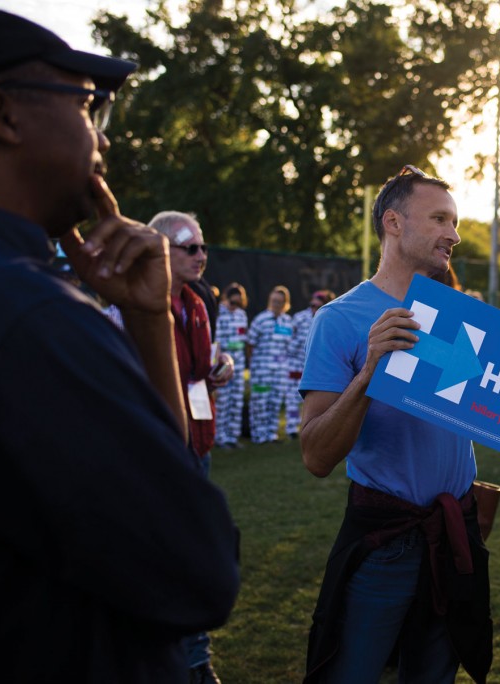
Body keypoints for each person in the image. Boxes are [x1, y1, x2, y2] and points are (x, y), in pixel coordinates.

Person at [0, 7, 239, 682]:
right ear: (1, 112)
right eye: (88, 106)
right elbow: (196, 564)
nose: (103, 143)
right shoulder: (30, 318)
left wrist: (149, 320)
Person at [298, 165, 500, 683]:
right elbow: (316, 456)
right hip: (384, 544)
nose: (454, 235)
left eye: (455, 221)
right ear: (393, 222)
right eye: (440, 219)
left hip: (455, 536)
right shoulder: (339, 320)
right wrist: (369, 372)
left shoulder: (460, 314)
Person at [147, 211, 234, 683]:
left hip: (197, 443)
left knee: (194, 553)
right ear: (160, 249)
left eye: (203, 247)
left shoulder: (197, 301)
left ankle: (196, 661)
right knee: (171, 557)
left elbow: (199, 369)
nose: (202, 256)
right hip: (158, 453)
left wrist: (220, 367)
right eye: (190, 247)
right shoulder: (134, 307)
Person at [247, 285, 293, 444]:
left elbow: (289, 346)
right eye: (274, 301)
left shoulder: (288, 321)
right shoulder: (260, 320)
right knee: (260, 402)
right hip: (262, 370)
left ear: (285, 303)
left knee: (275, 402)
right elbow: (250, 344)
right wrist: (255, 364)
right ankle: (259, 436)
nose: (276, 304)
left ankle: (271, 434)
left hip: (280, 371)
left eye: (280, 302)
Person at [287, 289, 335, 438]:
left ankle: (313, 428)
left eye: (317, 305)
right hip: (296, 363)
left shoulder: (330, 318)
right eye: (312, 305)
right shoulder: (299, 317)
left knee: (315, 399)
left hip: (317, 366)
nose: (313, 307)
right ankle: (291, 429)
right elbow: (289, 338)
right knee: (292, 397)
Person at [215, 282, 250, 449]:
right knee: (223, 400)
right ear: (226, 299)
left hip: (239, 361)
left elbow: (243, 338)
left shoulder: (242, 315)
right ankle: (220, 437)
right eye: (232, 302)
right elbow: (217, 340)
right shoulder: (219, 314)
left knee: (236, 400)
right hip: (222, 361)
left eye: (238, 303)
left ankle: (233, 436)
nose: (234, 306)